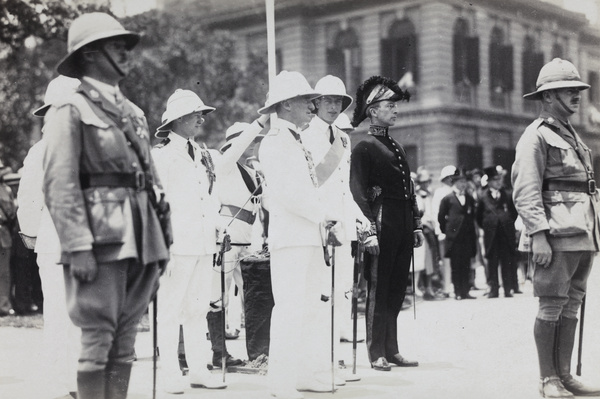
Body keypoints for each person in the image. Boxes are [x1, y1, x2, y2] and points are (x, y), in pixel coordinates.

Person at [42, 13, 170, 399]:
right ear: (90, 56)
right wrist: (77, 245)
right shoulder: (72, 109)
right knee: (98, 337)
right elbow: (59, 183)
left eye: (126, 46)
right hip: (100, 240)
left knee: (126, 339)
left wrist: (164, 237)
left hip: (142, 236)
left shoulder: (131, 112)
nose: (126, 53)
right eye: (116, 47)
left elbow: (149, 178)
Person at [512, 58, 600, 398]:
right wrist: (538, 235)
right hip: (555, 236)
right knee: (551, 303)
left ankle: (565, 375)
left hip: (582, 234)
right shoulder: (535, 136)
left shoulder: (573, 136)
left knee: (572, 303)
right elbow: (526, 189)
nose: (576, 95)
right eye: (567, 90)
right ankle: (548, 378)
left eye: (577, 89)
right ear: (547, 97)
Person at [258, 70, 336, 399]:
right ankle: (280, 381)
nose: (312, 105)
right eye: (306, 100)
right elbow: (290, 193)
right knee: (290, 309)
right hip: (291, 237)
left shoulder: (294, 139)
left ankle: (305, 374)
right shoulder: (275, 142)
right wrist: (323, 215)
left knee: (308, 310)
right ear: (287, 104)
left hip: (307, 235)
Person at [349, 75, 424, 371]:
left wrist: (416, 224)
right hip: (381, 224)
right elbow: (357, 192)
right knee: (378, 290)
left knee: (395, 290)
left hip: (402, 223)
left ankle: (392, 350)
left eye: (395, 105)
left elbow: (410, 189)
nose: (395, 110)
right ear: (372, 110)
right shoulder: (363, 147)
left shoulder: (397, 146)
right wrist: (369, 231)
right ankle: (375, 351)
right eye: (389, 105)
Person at [300, 75, 370, 383]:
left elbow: (344, 189)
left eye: (338, 102)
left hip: (342, 228)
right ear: (314, 104)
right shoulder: (304, 138)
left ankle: (335, 359)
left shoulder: (344, 139)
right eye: (327, 101)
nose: (332, 106)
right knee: (319, 297)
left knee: (341, 294)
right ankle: (317, 364)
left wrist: (360, 217)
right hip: (318, 227)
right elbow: (309, 187)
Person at [18, 75, 81, 399]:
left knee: (81, 315)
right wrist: (32, 234)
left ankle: (76, 380)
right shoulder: (41, 151)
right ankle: (61, 381)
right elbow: (29, 199)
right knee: (59, 314)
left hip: (86, 246)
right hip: (56, 244)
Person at [215, 119, 270, 362]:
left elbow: (264, 204)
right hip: (228, 238)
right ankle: (219, 352)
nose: (253, 144)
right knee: (219, 295)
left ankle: (258, 352)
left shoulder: (253, 172)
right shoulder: (224, 165)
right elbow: (237, 148)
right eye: (249, 140)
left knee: (254, 295)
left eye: (256, 141)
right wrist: (257, 126)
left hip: (249, 238)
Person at [476, 165, 519, 298]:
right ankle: (493, 289)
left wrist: (506, 221)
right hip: (491, 233)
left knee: (506, 260)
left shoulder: (507, 194)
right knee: (492, 261)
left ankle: (508, 289)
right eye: (495, 180)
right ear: (488, 182)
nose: (498, 182)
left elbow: (513, 212)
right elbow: (478, 216)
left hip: (505, 232)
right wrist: (488, 225)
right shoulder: (483, 196)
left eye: (499, 179)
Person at [437, 169, 477, 300]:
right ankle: (458, 291)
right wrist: (446, 231)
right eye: (460, 182)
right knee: (456, 265)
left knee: (466, 264)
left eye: (465, 181)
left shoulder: (470, 198)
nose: (463, 184)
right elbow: (441, 217)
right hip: (454, 237)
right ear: (454, 183)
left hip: (467, 236)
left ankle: (466, 291)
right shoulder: (447, 199)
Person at [414, 167, 444, 300]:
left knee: (434, 258)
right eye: (423, 182)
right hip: (423, 228)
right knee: (427, 261)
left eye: (427, 181)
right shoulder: (419, 196)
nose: (425, 184)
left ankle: (433, 286)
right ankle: (427, 288)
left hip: (431, 227)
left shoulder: (430, 194)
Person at [432, 165, 457, 297]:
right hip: (445, 231)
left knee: (457, 260)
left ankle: (457, 285)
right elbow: (436, 213)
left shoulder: (457, 191)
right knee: (446, 260)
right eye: (451, 177)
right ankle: (447, 287)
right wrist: (439, 231)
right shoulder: (440, 192)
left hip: (456, 232)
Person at [0, 161, 16, 317]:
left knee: (4, 272)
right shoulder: (5, 190)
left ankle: (4, 306)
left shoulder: (6, 189)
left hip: (3, 232)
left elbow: (11, 213)